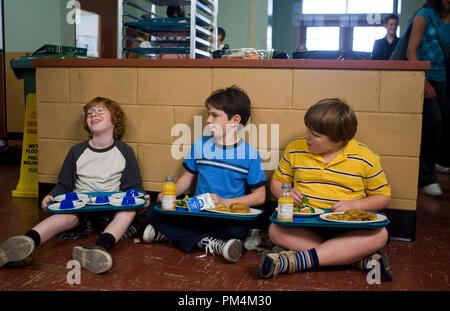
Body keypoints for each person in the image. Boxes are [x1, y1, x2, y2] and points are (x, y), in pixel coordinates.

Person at [0, 97, 150, 274]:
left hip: (112, 209)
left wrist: (142, 197)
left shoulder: (125, 151)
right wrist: (52, 196)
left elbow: (132, 186)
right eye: (89, 113)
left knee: (128, 212)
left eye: (100, 110)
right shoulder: (77, 151)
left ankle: (100, 248)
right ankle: (27, 240)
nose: (93, 114)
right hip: (81, 208)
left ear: (114, 119)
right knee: (66, 216)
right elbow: (64, 184)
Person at [257, 98, 392, 280]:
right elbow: (277, 182)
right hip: (306, 224)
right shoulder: (295, 149)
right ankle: (355, 259)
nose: (307, 136)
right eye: (307, 130)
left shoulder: (365, 157)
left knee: (380, 235)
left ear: (338, 140)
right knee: (275, 230)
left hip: (346, 228)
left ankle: (297, 261)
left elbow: (382, 197)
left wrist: (352, 205)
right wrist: (285, 193)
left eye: (315, 135)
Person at [144, 85, 267, 263]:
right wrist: (170, 194)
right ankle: (209, 242)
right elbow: (187, 178)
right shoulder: (201, 145)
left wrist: (224, 202)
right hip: (197, 212)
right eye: (208, 114)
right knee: (152, 212)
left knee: (236, 231)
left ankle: (170, 235)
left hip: (226, 216)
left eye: (215, 115)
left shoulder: (250, 154)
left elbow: (260, 196)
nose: (208, 120)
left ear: (235, 120)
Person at [407, 0, 450, 196]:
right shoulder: (424, 15)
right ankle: (426, 177)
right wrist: (422, 81)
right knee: (434, 122)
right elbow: (410, 51)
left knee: (438, 126)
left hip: (443, 80)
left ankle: (432, 165)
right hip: (425, 79)